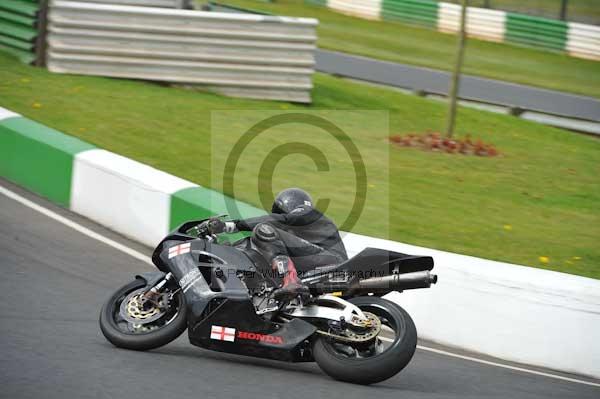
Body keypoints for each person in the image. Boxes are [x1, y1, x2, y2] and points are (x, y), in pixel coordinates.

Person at [206, 188, 348, 300]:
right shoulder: (304, 233)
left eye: (279, 213)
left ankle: (291, 280)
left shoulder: (307, 212)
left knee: (263, 230)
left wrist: (232, 225)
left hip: (331, 261)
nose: (277, 217)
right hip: (319, 264)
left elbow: (280, 220)